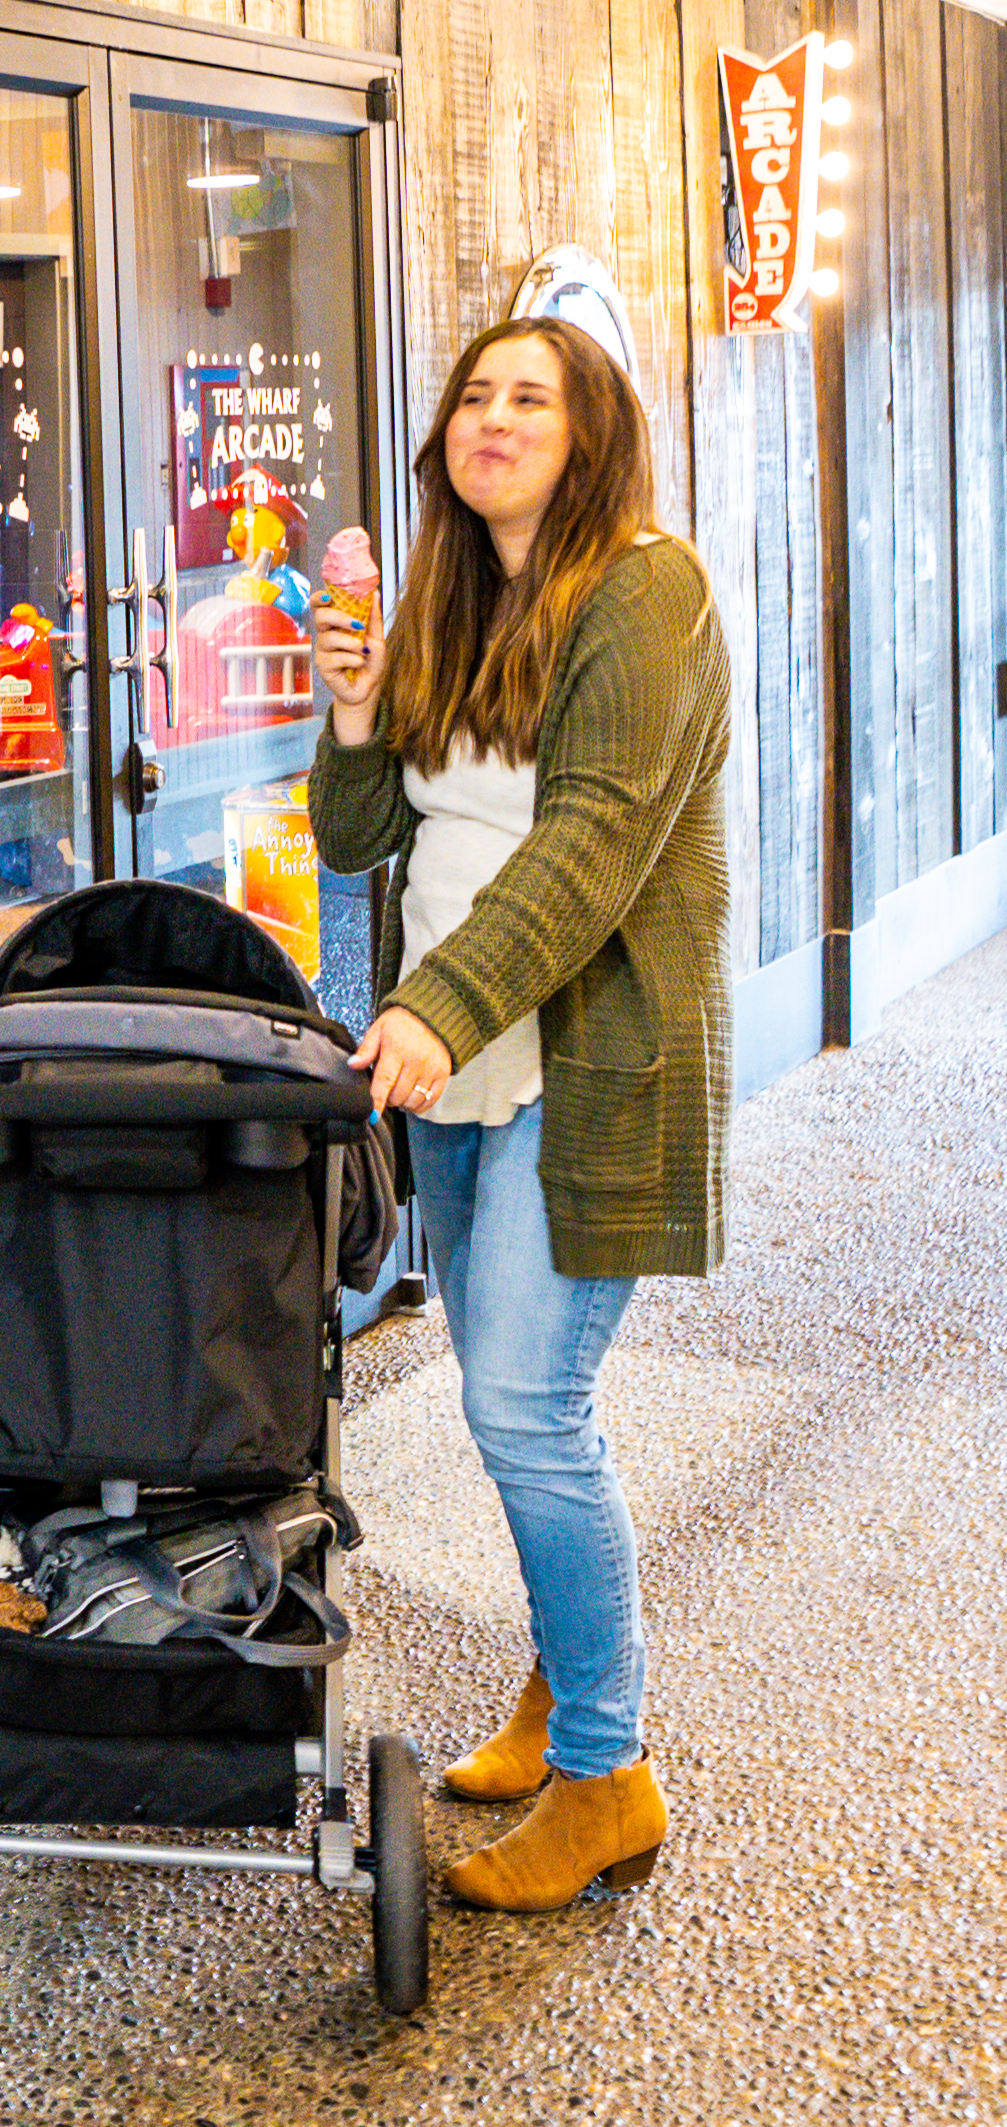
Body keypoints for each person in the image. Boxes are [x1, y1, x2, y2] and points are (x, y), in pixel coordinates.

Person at [307, 314, 731, 1914]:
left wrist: (430, 1007)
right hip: (465, 1069)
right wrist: (351, 708)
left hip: (580, 1062)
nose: (491, 419)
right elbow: (359, 836)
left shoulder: (648, 592)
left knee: (524, 1410)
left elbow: (592, 846)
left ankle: (607, 1773)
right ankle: (564, 1687)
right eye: (472, 397)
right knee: (511, 1393)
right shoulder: (452, 595)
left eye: (528, 398)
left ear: (587, 428)